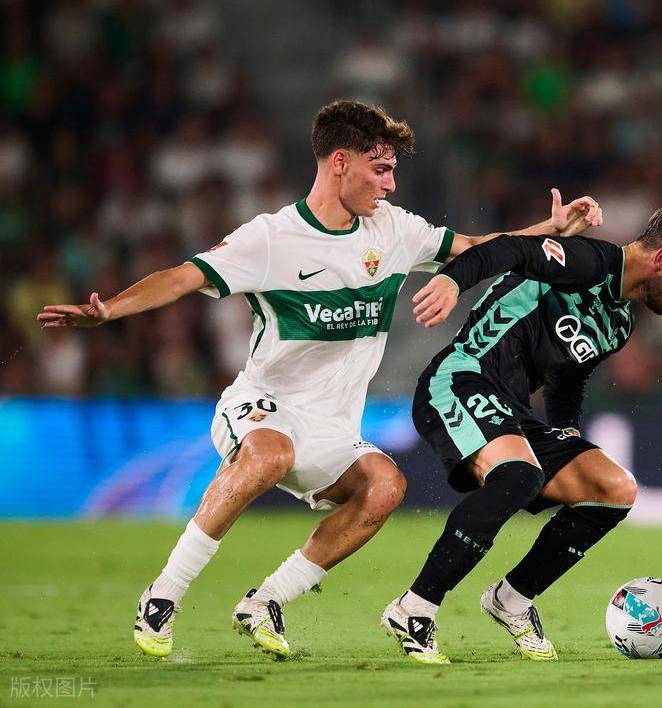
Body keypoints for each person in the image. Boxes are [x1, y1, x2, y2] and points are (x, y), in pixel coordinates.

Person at [37, 99, 603, 661]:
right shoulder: (271, 238)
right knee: (269, 454)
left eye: (392, 171)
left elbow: (477, 249)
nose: (390, 184)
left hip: (331, 426)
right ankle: (163, 595)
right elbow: (184, 276)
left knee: (386, 486)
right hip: (262, 404)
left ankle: (266, 601)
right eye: (380, 169)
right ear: (339, 163)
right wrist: (110, 310)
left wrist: (549, 231)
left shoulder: (394, 230)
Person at [382, 197, 662, 664]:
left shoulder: (618, 323)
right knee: (519, 475)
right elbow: (512, 249)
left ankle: (511, 599)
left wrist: (567, 435)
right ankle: (414, 607)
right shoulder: (588, 262)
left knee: (614, 489)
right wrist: (453, 279)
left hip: (511, 410)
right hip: (460, 378)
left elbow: (568, 380)